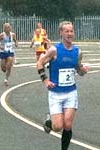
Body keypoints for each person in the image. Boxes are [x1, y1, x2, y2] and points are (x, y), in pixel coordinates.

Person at [37, 21, 89, 150]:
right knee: (57, 126)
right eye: (67, 31)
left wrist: (83, 70)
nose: (70, 34)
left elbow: (78, 70)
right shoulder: (54, 50)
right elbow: (40, 63)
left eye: (71, 31)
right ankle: (50, 121)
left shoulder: (78, 52)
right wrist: (45, 80)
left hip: (71, 92)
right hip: (55, 93)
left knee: (68, 125)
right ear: (61, 33)